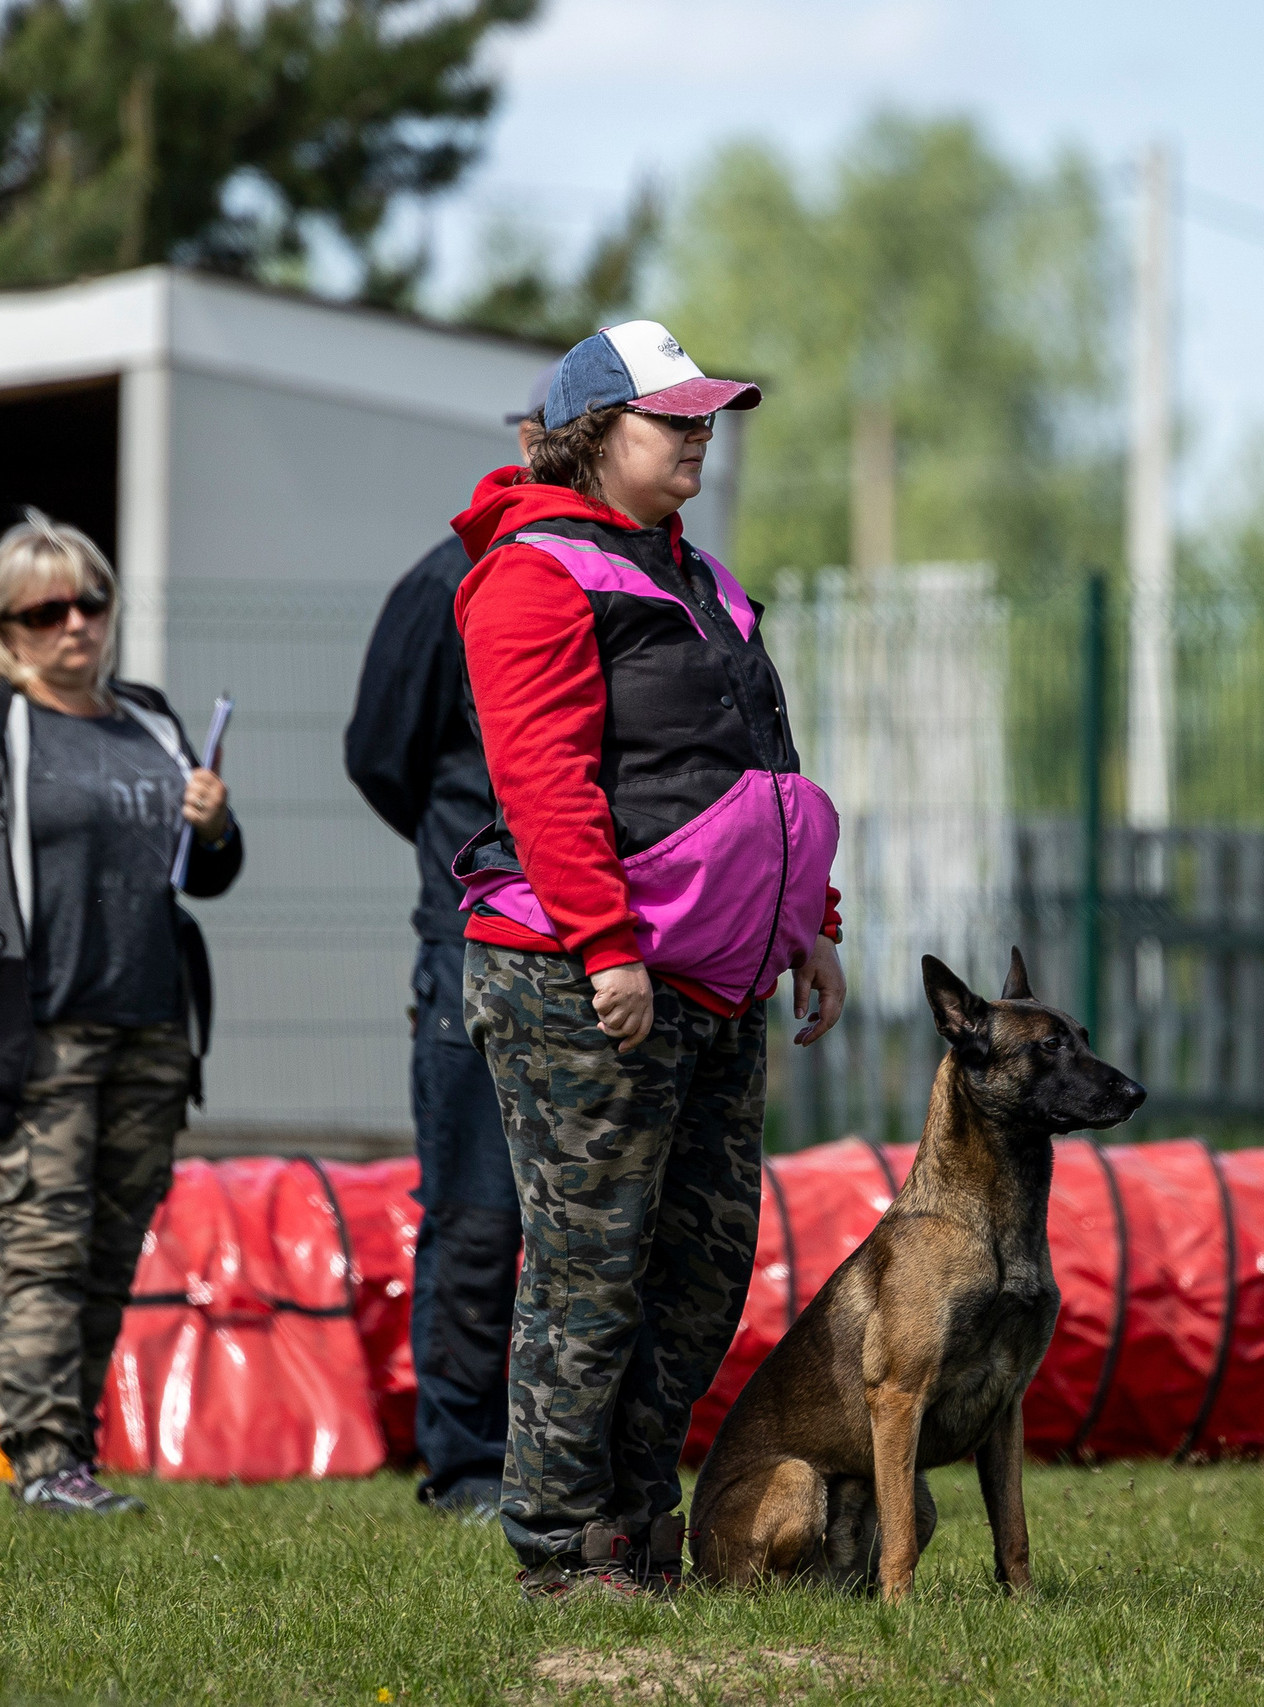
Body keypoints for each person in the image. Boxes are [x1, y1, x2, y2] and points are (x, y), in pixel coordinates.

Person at [451, 320, 848, 1601]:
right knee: (590, 1267)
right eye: (669, 418)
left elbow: (751, 771)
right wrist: (606, 949)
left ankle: (635, 1519)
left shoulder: (701, 576)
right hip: (585, 976)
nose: (697, 435)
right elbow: (547, 785)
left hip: (713, 974)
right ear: (590, 434)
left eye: (704, 417)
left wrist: (810, 928)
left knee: (700, 1272)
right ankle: (562, 1548)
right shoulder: (531, 576)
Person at [0, 512, 241, 1517]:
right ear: (5, 624)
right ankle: (41, 1462)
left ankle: (71, 1456)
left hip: (152, 1026)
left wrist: (213, 826)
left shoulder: (154, 720)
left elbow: (207, 877)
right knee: (43, 1246)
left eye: (91, 601)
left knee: (111, 1249)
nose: (74, 624)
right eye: (45, 610)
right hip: (34, 1034)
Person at [343, 362, 554, 1519]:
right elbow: (382, 755)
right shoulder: (448, 581)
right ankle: (465, 1464)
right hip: (473, 944)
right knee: (478, 1216)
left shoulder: (630, 574)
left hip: (603, 950)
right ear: (528, 437)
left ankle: (567, 1459)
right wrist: (465, 852)